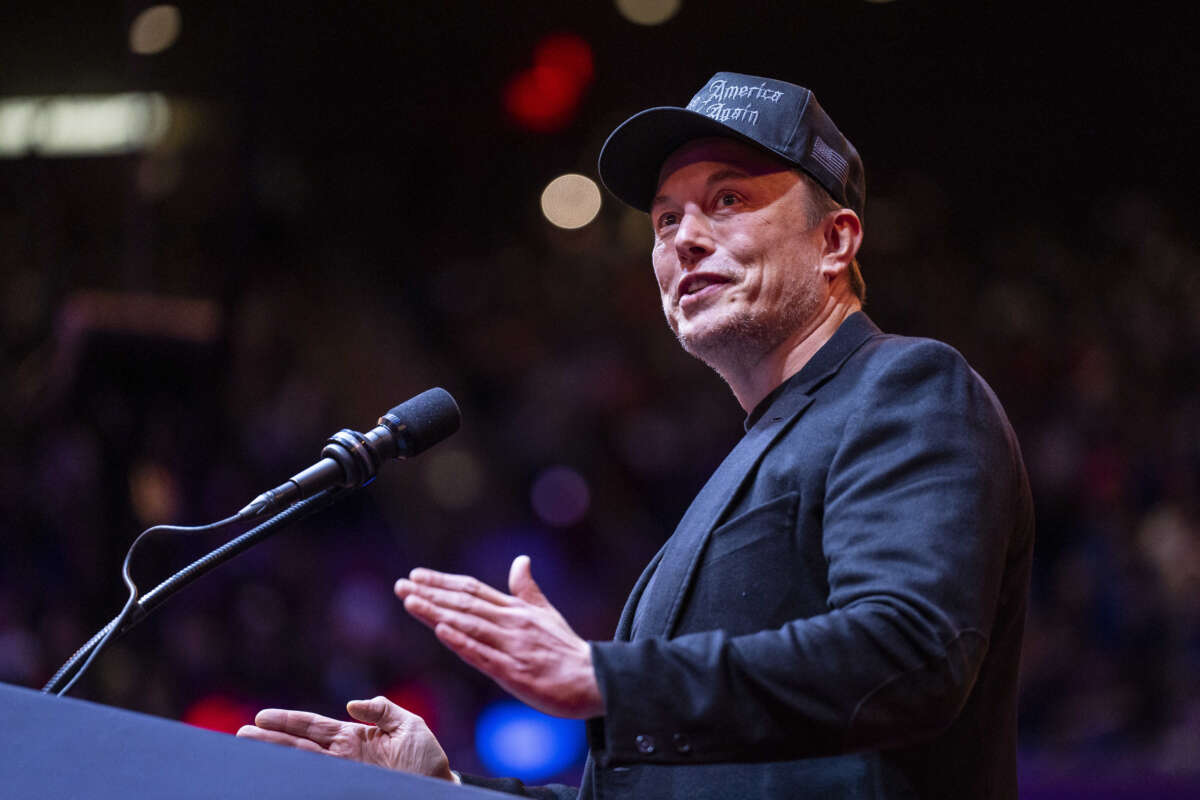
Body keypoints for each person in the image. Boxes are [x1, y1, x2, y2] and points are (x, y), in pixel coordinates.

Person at [237, 72, 1034, 799]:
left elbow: (911, 654)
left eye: (727, 200)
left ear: (835, 241)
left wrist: (607, 678)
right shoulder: (747, 461)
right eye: (665, 218)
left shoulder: (906, 388)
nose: (683, 237)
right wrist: (443, 789)